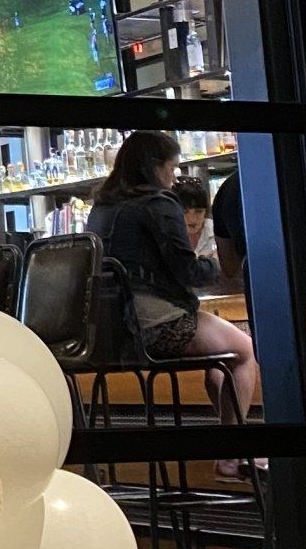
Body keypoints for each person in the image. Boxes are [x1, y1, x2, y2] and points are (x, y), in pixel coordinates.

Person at [90, 129, 259, 466]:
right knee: (244, 352)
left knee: (223, 357)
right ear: (155, 167)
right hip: (156, 322)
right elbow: (187, 271)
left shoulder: (102, 208)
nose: (174, 176)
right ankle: (232, 455)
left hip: (112, 331)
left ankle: (228, 450)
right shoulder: (157, 203)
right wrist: (219, 269)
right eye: (172, 167)